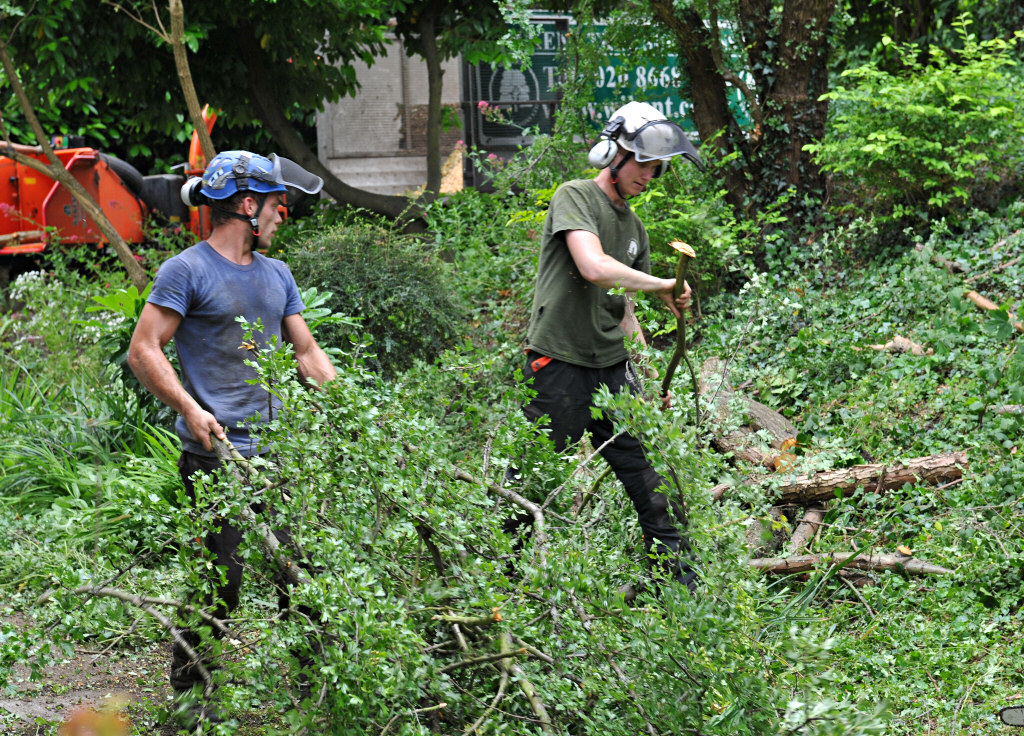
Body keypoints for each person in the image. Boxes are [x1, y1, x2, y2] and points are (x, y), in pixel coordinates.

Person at [127, 150, 336, 725]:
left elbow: (308, 353)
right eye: (276, 204)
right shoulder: (186, 271)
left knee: (302, 572)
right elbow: (144, 350)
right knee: (221, 585)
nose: (280, 216)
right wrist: (191, 409)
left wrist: (356, 414)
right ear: (248, 205)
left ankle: (318, 690)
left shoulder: (277, 275)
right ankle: (191, 703)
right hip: (215, 457)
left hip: (279, 455)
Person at [513, 101, 704, 591]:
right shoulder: (574, 196)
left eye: (657, 167)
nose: (650, 174)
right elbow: (593, 267)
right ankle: (497, 583)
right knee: (527, 482)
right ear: (616, 152)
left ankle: (676, 590)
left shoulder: (635, 230)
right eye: (643, 162)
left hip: (612, 370)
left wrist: (643, 375)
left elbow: (624, 311)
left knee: (652, 480)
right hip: (558, 363)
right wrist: (661, 282)